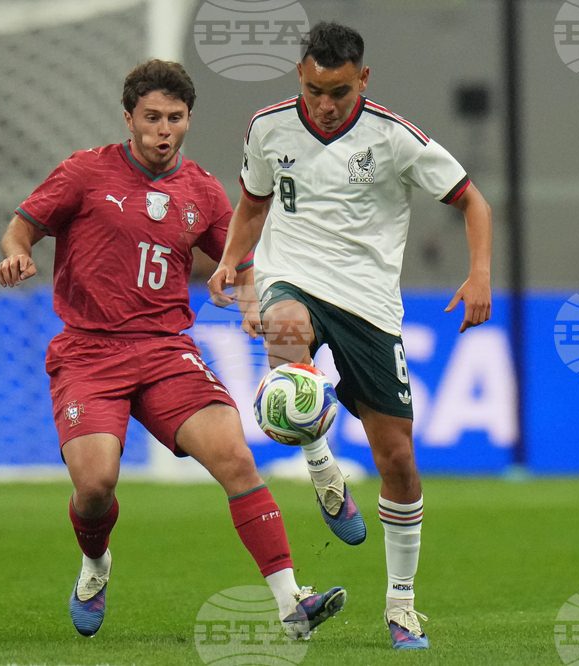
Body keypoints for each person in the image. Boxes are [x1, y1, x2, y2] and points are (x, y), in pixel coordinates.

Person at [0, 60, 345, 639]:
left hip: (165, 350)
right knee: (95, 487)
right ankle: (95, 564)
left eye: (175, 118)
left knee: (236, 460)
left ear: (188, 120)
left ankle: (292, 604)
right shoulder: (84, 173)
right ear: (128, 118)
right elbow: (22, 225)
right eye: (152, 117)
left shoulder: (203, 191)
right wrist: (18, 252)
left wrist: (248, 292)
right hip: (89, 351)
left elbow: (243, 256)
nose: (163, 129)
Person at [208, 23, 492, 650]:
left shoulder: (396, 139)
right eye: (312, 90)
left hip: (369, 305)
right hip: (292, 280)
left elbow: (474, 201)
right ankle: (322, 466)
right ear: (299, 79)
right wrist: (232, 261)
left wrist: (478, 274)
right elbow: (253, 203)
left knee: (398, 461)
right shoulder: (268, 127)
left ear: (363, 79)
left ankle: (401, 604)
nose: (324, 104)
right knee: (285, 338)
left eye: (337, 91)